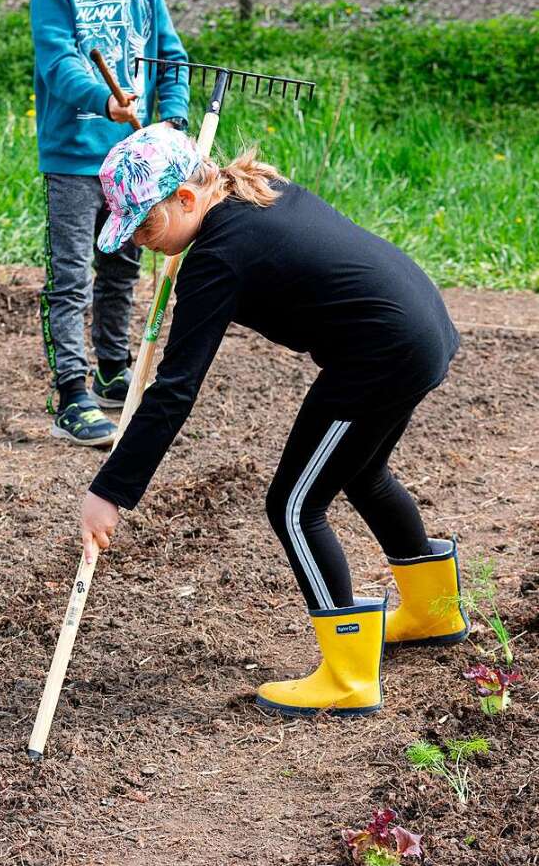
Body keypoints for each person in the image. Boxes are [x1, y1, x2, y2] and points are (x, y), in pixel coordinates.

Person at [79, 122, 470, 717]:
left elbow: (175, 389)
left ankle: (347, 678)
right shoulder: (255, 192)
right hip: (418, 327)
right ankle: (432, 614)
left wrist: (111, 490)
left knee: (293, 504)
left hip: (381, 352)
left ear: (187, 199)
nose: (140, 243)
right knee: (362, 474)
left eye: (147, 226)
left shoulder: (217, 255)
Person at [30, 0, 190, 447]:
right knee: (71, 275)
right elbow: (60, 64)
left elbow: (171, 58)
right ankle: (71, 392)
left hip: (133, 161)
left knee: (121, 266)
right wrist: (104, 98)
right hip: (74, 159)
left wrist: (171, 122)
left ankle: (112, 367)